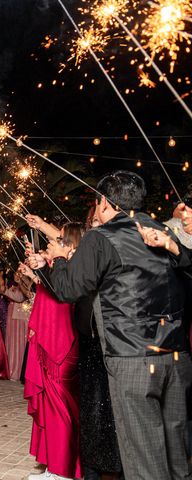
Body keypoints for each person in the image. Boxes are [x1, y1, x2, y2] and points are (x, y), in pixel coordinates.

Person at [28, 170, 192, 480]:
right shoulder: (160, 230)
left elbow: (68, 291)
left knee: (144, 458)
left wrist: (61, 258)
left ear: (104, 203)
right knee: (177, 457)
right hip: (176, 357)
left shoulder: (101, 237)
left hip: (132, 360)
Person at [25, 224, 84, 480]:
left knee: (61, 410)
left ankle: (64, 471)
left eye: (58, 238)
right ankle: (54, 467)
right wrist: (37, 269)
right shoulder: (59, 269)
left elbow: (61, 295)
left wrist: (43, 266)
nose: (52, 241)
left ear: (70, 246)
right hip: (49, 344)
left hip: (61, 346)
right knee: (51, 408)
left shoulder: (72, 271)